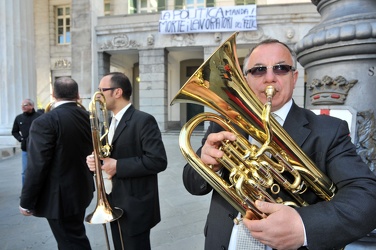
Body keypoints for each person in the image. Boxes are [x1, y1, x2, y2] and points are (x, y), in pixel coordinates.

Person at [182, 39, 376, 250]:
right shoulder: (223, 124)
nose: (269, 78)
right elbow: (192, 185)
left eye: (281, 68)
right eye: (258, 70)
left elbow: (367, 197)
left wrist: (303, 226)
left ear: (294, 78)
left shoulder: (328, 130)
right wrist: (205, 163)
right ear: (245, 80)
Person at [86, 72, 168, 250]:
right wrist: (96, 162)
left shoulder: (143, 120)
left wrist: (117, 166)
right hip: (113, 200)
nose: (98, 95)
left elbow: (158, 161)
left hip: (135, 203)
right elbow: (108, 156)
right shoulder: (108, 122)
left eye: (102, 90)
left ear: (117, 92)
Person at [19, 77, 94, 250]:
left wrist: (26, 201)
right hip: (82, 190)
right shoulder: (88, 117)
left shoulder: (45, 121)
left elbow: (37, 165)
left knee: (71, 242)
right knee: (74, 237)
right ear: (77, 94)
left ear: (53, 95)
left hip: (59, 197)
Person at [11, 98, 41, 185]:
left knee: (39, 170)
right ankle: (25, 191)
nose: (23, 107)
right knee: (25, 172)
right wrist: (20, 139)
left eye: (25, 105)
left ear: (32, 106)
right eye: (22, 105)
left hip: (38, 148)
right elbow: (14, 131)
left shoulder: (40, 116)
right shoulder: (19, 118)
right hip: (25, 149)